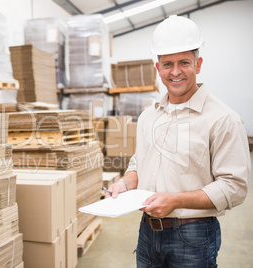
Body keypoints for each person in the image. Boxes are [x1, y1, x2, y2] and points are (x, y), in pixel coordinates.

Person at [107, 15, 250, 267]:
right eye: (167, 64)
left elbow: (234, 187)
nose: (175, 72)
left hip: (193, 236)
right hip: (147, 233)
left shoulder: (223, 119)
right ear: (158, 68)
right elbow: (139, 163)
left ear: (198, 64)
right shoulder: (148, 116)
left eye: (184, 62)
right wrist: (125, 184)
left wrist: (175, 200)